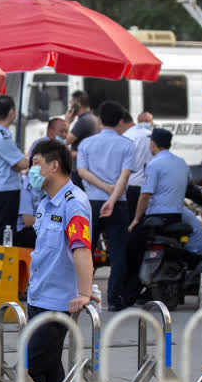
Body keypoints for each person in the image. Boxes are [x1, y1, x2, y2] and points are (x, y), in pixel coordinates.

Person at [26, 138, 96, 382]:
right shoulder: (46, 202)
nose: (31, 170)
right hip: (38, 297)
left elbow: (81, 250)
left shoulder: (73, 202)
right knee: (51, 371)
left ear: (54, 165)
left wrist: (83, 294)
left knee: (31, 369)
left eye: (36, 163)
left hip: (58, 305)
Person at [77, 101, 134, 311]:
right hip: (118, 204)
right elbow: (125, 176)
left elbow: (82, 172)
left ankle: (83, 295)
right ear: (120, 121)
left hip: (90, 203)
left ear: (99, 120)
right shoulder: (127, 145)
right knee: (118, 253)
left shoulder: (86, 144)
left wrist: (103, 188)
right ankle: (115, 299)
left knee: (85, 249)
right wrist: (112, 197)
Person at [125, 128, 189, 304]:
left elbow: (145, 195)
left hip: (157, 220)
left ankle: (130, 295)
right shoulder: (182, 163)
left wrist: (136, 220)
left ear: (153, 144)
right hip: (177, 217)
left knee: (132, 249)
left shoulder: (154, 164)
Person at [0, 95, 29, 245]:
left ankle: (2, 267)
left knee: (6, 235)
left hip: (2, 192)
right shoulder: (1, 136)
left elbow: (14, 164)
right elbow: (22, 164)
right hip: (4, 193)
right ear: (11, 112)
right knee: (3, 237)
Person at [120, 112, 153, 223]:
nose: (144, 123)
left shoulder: (127, 135)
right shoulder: (153, 137)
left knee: (131, 220)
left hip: (131, 185)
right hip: (148, 186)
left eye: (146, 121)